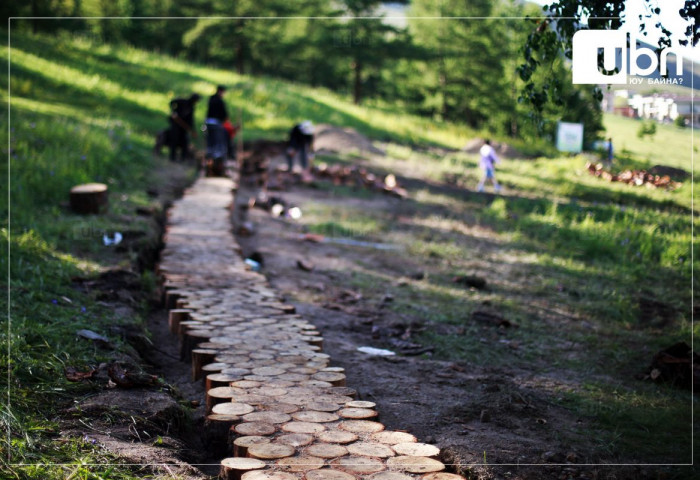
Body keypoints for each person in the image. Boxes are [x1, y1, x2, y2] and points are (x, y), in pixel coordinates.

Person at [168, 93, 200, 161]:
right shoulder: (182, 101)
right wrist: (173, 112)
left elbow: (191, 119)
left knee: (184, 141)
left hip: (183, 126)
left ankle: (183, 157)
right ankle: (172, 156)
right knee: (174, 139)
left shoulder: (191, 108)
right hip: (176, 124)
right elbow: (172, 102)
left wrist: (192, 129)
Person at [205, 85, 230, 170]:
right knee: (218, 143)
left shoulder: (211, 99)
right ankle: (216, 161)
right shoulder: (219, 101)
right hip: (216, 123)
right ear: (221, 91)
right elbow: (224, 115)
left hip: (208, 122)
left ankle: (209, 158)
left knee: (210, 142)